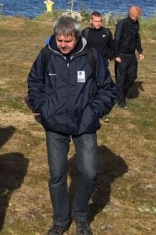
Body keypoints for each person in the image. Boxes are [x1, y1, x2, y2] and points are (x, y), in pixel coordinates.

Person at [27, 17, 116, 235]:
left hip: (84, 125)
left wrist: (92, 112)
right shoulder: (47, 55)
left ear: (77, 37)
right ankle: (60, 221)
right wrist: (43, 108)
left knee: (90, 172)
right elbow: (34, 83)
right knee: (57, 175)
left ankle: (81, 215)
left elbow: (107, 90)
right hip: (54, 125)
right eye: (60, 40)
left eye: (68, 40)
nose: (63, 44)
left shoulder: (91, 56)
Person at [114, 6, 145, 109]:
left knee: (132, 76)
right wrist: (116, 55)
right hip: (122, 54)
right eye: (140, 14)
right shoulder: (122, 24)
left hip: (131, 55)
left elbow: (137, 39)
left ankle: (121, 92)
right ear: (135, 14)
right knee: (121, 78)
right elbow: (117, 40)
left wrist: (140, 52)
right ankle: (121, 100)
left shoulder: (136, 24)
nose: (140, 16)